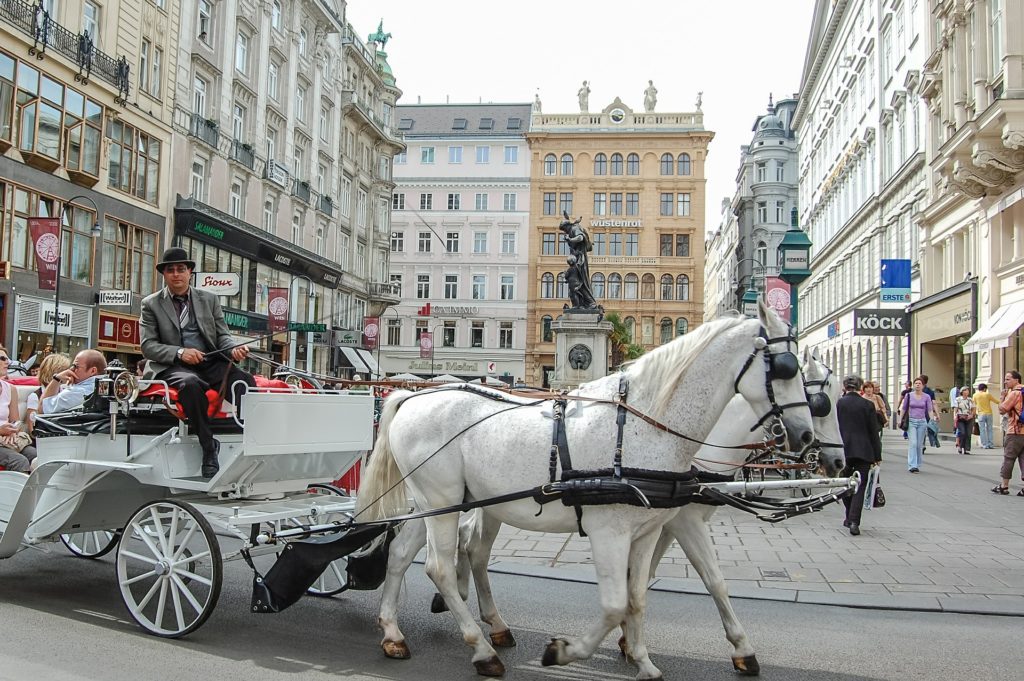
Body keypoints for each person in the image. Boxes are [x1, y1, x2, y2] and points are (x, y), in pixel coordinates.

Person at [140, 247, 256, 479]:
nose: (176, 274)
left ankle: (252, 440)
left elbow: (222, 335)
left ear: (190, 272)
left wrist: (233, 348)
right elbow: (148, 346)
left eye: (181, 269)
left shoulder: (209, 299)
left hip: (209, 360)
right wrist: (180, 352)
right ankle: (208, 447)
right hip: (173, 366)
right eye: (171, 270)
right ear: (164, 274)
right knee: (191, 384)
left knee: (244, 381)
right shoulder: (151, 304)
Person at [837, 375, 882, 536]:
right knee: (860, 486)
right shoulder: (867, 405)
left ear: (844, 387)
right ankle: (854, 521)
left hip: (843, 450)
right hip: (864, 450)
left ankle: (849, 516)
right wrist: (877, 455)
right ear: (860, 388)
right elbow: (873, 432)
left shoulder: (839, 404)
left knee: (845, 484)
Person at [0, 347, 37, 473]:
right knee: (19, 461)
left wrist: (12, 431)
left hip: (7, 439)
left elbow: (15, 421)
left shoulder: (10, 389)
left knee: (37, 456)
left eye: (7, 359)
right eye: (2, 358)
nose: (8, 362)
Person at [39, 349, 106, 414]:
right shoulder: (108, 387)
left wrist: (56, 379)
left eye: (76, 366)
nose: (71, 369)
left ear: (93, 371)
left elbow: (42, 408)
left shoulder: (77, 391)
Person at [992, 370, 1024, 496]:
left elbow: (1002, 409)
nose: (1005, 381)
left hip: (1014, 431)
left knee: (1009, 458)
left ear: (1017, 380)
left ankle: (1004, 486)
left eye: (1008, 379)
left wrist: (1002, 398)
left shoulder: (1014, 393)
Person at [897, 376, 937, 473]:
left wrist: (932, 420)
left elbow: (930, 410)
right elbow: (904, 408)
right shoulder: (909, 395)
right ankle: (912, 465)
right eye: (916, 383)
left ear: (923, 386)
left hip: (922, 422)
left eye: (920, 383)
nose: (918, 385)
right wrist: (900, 419)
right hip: (911, 421)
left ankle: (918, 463)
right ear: (914, 385)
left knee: (919, 444)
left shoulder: (926, 397)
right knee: (913, 443)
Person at [25, 353, 71, 435]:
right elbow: (32, 430)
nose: (69, 373)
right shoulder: (35, 396)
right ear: (55, 372)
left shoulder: (66, 391)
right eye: (65, 370)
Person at [973, 383, 999, 449]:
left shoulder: (975, 395)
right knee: (989, 429)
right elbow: (996, 401)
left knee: (982, 430)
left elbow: (973, 404)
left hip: (981, 414)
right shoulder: (987, 394)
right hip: (989, 413)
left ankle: (984, 444)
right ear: (984, 389)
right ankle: (991, 444)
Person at [953, 387, 976, 455]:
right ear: (962, 392)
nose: (967, 391)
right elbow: (955, 409)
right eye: (965, 390)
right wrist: (955, 417)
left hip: (969, 417)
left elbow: (974, 409)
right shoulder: (958, 399)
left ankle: (966, 449)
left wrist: (971, 415)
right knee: (962, 432)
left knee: (968, 433)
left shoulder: (970, 400)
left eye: (968, 390)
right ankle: (960, 446)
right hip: (960, 417)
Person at [920, 375, 940, 448]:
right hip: (928, 412)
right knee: (925, 428)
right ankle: (923, 443)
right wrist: (937, 414)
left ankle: (922, 444)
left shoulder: (916, 390)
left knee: (921, 428)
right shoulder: (930, 391)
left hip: (919, 413)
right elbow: (934, 403)